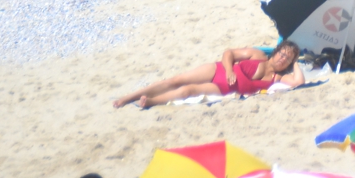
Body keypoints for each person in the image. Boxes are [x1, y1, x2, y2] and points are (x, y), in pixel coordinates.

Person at [112, 40, 303, 107]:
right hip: (218, 70)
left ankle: (151, 101)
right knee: (176, 80)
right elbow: (229, 53)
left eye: (288, 58)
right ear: (276, 51)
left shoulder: (278, 78)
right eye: (282, 53)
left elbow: (298, 82)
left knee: (188, 91)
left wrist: (296, 63)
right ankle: (129, 97)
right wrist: (229, 70)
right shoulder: (258, 55)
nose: (282, 59)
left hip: (222, 88)